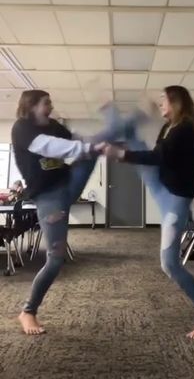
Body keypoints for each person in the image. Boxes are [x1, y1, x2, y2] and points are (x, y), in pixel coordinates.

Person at [99, 86, 194, 340]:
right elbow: (156, 155)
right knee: (131, 137)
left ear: (176, 102)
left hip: (175, 199)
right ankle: (113, 112)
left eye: (164, 100)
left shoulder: (186, 128)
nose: (161, 104)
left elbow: (158, 156)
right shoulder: (169, 128)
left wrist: (120, 154)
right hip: (163, 187)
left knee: (170, 264)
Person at [11, 90, 129, 335]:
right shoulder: (22, 128)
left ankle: (119, 119)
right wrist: (93, 147)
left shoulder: (54, 125)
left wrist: (95, 144)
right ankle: (28, 312)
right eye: (46, 103)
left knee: (93, 147)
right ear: (31, 106)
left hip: (68, 183)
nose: (51, 106)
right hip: (48, 198)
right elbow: (54, 147)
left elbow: (77, 141)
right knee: (55, 259)